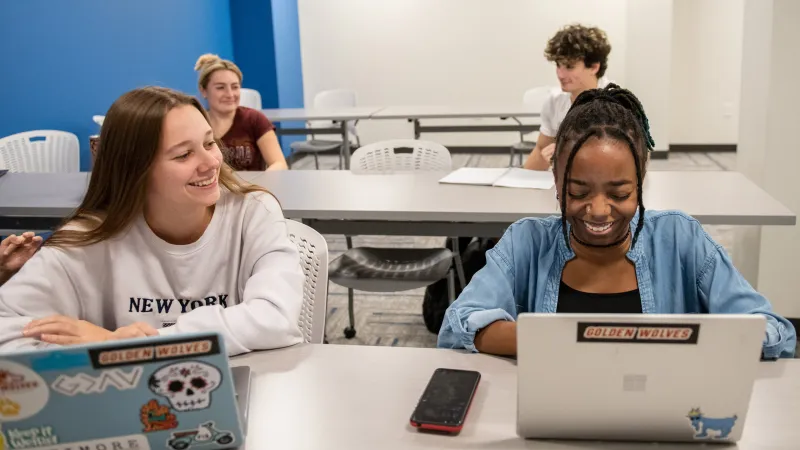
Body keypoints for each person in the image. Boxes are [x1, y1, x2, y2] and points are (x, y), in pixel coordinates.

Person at [438, 84, 796, 359]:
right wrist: (560, 341)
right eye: (577, 192)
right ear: (556, 180)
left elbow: (775, 333)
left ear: (641, 180)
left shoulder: (679, 238)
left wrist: (695, 343)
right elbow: (457, 326)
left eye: (620, 193)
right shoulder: (527, 242)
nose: (598, 210)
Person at [0, 86, 304, 355]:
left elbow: (275, 318)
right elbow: (7, 329)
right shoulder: (87, 238)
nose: (211, 162)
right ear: (135, 170)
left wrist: (127, 346)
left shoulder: (252, 212)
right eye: (184, 155)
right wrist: (95, 352)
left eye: (209, 143)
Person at [523, 24, 613, 171]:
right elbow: (541, 150)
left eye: (569, 67)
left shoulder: (617, 104)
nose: (560, 74)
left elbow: (638, 158)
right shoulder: (554, 103)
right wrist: (521, 179)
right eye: (558, 65)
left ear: (594, 67)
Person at [194, 54, 288, 171]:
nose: (230, 94)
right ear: (203, 91)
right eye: (220, 87)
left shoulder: (255, 119)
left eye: (235, 87)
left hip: (253, 183)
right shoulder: (196, 124)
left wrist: (261, 180)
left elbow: (279, 163)